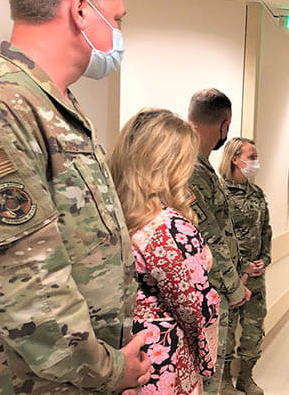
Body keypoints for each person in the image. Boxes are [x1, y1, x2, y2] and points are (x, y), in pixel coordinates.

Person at [0, 0, 152, 393]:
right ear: (81, 10)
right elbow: (30, 287)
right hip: (40, 381)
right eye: (116, 20)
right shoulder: (5, 107)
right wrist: (110, 370)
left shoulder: (55, 105)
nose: (117, 35)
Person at [109, 109, 221, 394]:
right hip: (164, 360)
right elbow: (196, 307)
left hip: (122, 355)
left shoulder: (108, 215)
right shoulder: (168, 227)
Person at [188, 88, 251, 395]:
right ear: (225, 125)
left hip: (212, 288)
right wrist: (233, 286)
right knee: (206, 375)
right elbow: (208, 237)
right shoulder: (192, 170)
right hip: (207, 291)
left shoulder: (201, 165)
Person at [218, 138, 272, 395]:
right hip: (229, 278)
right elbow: (216, 237)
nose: (255, 162)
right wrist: (241, 268)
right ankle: (224, 380)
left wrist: (265, 258)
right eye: (252, 156)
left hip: (256, 278)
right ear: (234, 158)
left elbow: (266, 230)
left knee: (253, 329)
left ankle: (246, 378)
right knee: (225, 329)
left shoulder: (257, 193)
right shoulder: (218, 192)